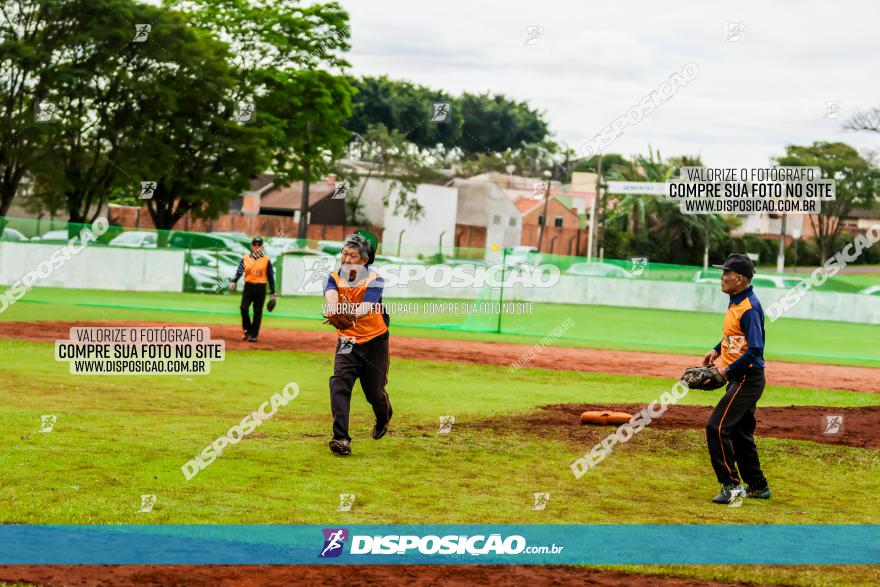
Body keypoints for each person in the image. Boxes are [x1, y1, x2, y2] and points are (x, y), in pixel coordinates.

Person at [702, 253, 771, 504]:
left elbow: (755, 350)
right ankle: (758, 485)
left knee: (717, 427)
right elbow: (735, 337)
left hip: (747, 379)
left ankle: (731, 486)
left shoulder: (749, 308)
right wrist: (717, 350)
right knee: (740, 432)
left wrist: (727, 371)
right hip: (741, 377)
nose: (722, 278)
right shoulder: (736, 301)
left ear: (739, 278)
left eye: (726, 273)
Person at [322, 232, 392, 456]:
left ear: (364, 260)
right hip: (347, 341)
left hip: (375, 342)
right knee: (339, 383)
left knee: (374, 394)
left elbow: (366, 307)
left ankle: (383, 417)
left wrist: (350, 315)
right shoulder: (333, 277)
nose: (346, 259)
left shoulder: (374, 280)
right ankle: (340, 438)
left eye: (352, 255)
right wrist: (333, 309)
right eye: (344, 254)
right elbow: (331, 297)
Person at [230, 236, 276, 342]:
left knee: (257, 312)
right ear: (251, 246)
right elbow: (240, 271)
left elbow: (270, 276)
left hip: (261, 288)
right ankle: (248, 329)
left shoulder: (266, 260)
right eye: (255, 244)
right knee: (243, 308)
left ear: (262, 247)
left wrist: (273, 292)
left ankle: (254, 335)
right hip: (248, 287)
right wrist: (234, 281)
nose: (257, 246)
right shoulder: (246, 258)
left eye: (259, 245)